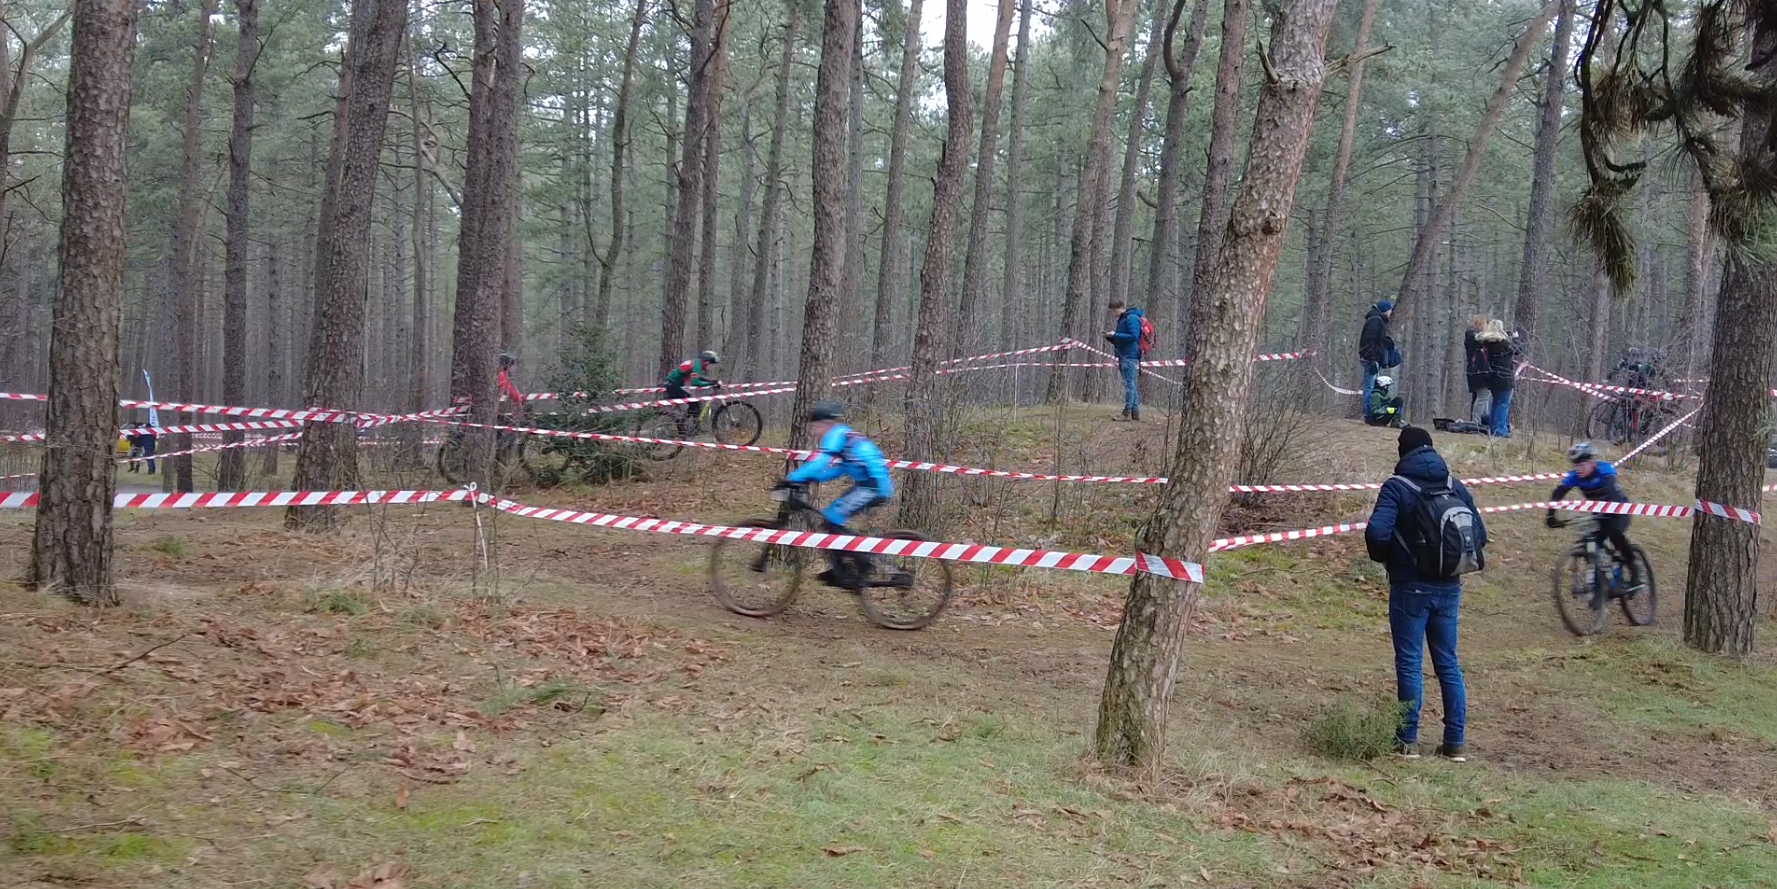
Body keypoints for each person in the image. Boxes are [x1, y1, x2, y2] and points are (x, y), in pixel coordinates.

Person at [1364, 426, 1485, 762]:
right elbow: (1480, 535)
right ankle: (1455, 743)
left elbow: (1376, 533)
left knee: (1410, 663)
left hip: (1409, 588)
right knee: (1448, 663)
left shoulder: (1397, 487)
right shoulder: (1454, 485)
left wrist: (1391, 559)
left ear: (1402, 453)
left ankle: (1407, 741)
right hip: (1450, 588)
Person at [778, 401, 895, 590]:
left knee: (832, 517)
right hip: (872, 483)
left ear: (825, 423)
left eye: (814, 426)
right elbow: (837, 470)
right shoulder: (845, 436)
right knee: (831, 518)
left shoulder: (836, 434)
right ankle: (843, 567)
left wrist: (791, 478)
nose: (813, 432)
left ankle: (860, 563)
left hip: (873, 485)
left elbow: (822, 461)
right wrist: (808, 479)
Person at [1546, 442, 1638, 585]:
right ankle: (1601, 583)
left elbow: (1611, 492)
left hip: (1620, 511)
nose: (1578, 469)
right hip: (1600, 515)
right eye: (1575, 465)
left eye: (1582, 465)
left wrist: (1612, 512)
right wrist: (1551, 515)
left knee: (1615, 535)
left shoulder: (1604, 471)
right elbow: (1558, 494)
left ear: (1592, 463)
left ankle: (1634, 569)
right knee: (1590, 544)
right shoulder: (1575, 476)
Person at [1103, 300, 1147, 421]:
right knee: (1129, 383)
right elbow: (1122, 338)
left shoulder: (1131, 318)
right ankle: (1135, 414)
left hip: (1129, 355)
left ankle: (1126, 412)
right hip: (1123, 354)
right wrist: (1111, 337)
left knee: (1129, 384)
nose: (1113, 313)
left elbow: (1133, 337)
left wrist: (1115, 335)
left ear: (1121, 307)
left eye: (1114, 311)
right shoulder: (1123, 319)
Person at [1477, 320, 1519, 438]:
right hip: (1504, 378)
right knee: (1503, 405)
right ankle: (1500, 430)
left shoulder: (1487, 343)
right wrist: (1515, 338)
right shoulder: (1504, 344)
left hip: (1492, 377)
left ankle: (1494, 427)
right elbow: (1517, 350)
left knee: (1496, 403)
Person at [664, 350, 723, 428]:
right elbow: (695, 382)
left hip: (673, 384)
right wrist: (710, 383)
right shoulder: (696, 365)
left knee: (694, 405)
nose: (707, 366)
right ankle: (683, 426)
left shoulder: (696, 362)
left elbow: (697, 377)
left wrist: (710, 381)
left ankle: (687, 426)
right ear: (705, 361)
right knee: (693, 405)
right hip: (671, 385)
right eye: (708, 363)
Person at [1359, 300, 1397, 417]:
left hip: (1374, 357)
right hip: (1371, 359)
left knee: (1372, 386)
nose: (1391, 312)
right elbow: (1368, 339)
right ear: (1386, 310)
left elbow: (1375, 339)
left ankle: (1372, 412)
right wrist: (1372, 358)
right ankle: (1368, 414)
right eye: (1390, 310)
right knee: (1370, 387)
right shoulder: (1375, 320)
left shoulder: (1378, 320)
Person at [1463, 316, 1491, 425]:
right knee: (1482, 397)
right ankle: (1476, 421)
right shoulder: (1472, 336)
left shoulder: (1477, 337)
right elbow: (1479, 340)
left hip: (1479, 371)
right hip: (1477, 371)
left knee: (1483, 397)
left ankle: (1481, 421)